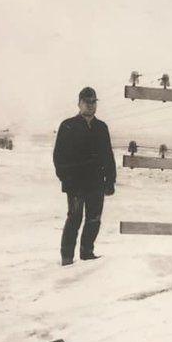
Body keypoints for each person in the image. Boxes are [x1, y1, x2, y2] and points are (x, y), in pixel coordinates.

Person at [53, 87, 116, 266]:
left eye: (93, 102)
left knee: (94, 219)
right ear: (79, 104)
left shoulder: (101, 127)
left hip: (96, 183)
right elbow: (58, 156)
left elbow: (108, 156)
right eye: (86, 102)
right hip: (76, 184)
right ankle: (67, 258)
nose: (90, 106)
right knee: (74, 218)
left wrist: (110, 181)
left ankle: (87, 254)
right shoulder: (68, 125)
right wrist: (66, 179)